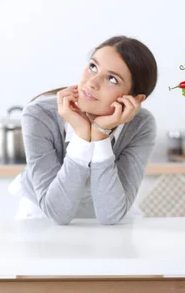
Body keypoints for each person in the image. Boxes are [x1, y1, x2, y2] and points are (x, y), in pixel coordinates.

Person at [9, 36, 158, 225]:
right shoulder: (39, 114)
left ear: (136, 100)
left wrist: (100, 135)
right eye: (93, 67)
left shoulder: (141, 125)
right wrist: (82, 135)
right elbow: (57, 212)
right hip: (41, 214)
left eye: (112, 79)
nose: (92, 83)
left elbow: (110, 215)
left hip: (110, 211)